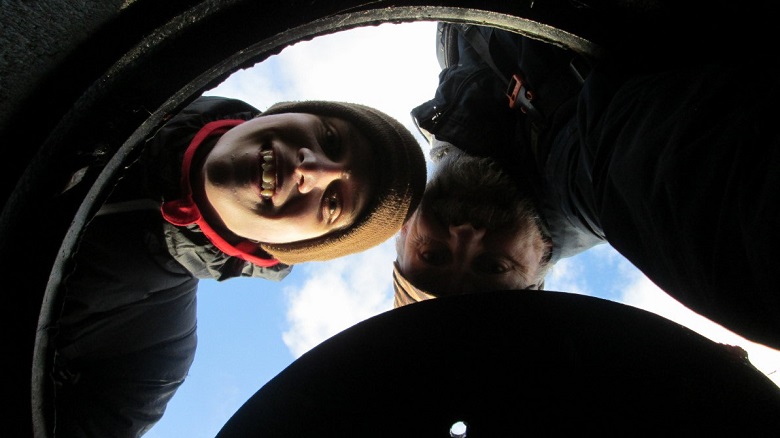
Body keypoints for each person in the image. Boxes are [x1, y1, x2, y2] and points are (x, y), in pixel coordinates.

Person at [47, 95, 427, 437]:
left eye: (332, 204)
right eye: (330, 139)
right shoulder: (136, 81)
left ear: (290, 248)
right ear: (291, 110)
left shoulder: (151, 352)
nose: (312, 169)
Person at [393, 22, 780, 352]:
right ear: (539, 264)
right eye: (492, 266)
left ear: (405, 229)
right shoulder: (589, 177)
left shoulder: (447, 123)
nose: (466, 235)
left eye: (434, 256)